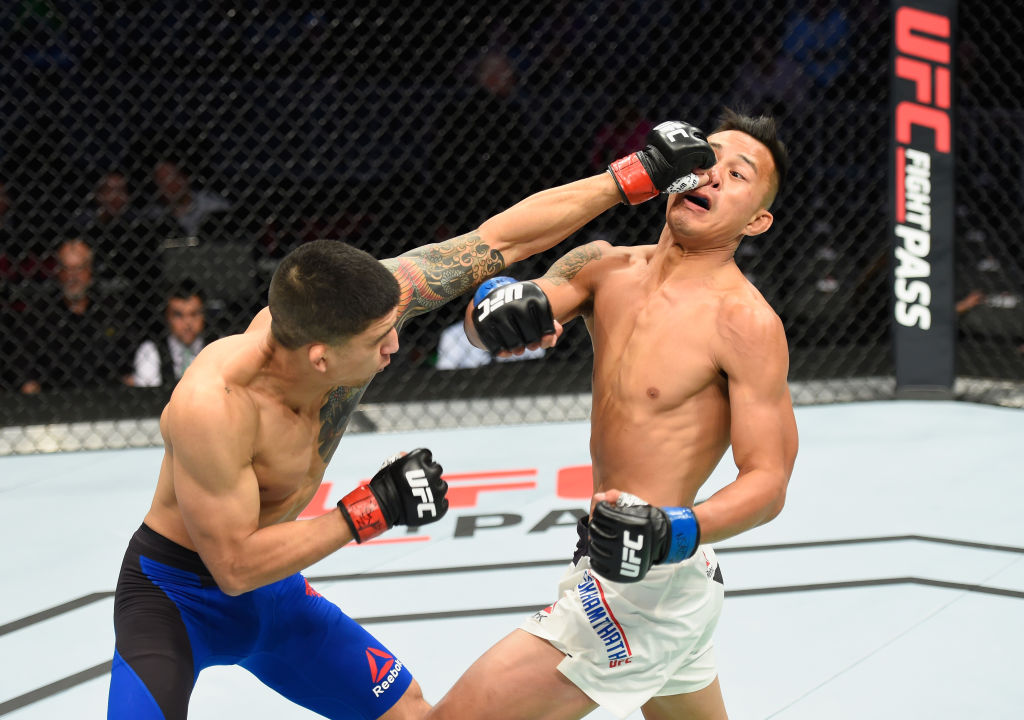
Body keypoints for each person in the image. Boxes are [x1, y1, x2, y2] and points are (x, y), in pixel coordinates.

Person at [106, 122, 715, 720]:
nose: (395, 346)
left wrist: (631, 177)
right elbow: (232, 568)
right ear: (320, 355)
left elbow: (499, 240)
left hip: (274, 592)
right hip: (175, 599)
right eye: (377, 340)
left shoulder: (358, 311)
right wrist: (369, 510)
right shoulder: (213, 406)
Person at [430, 109, 798, 720]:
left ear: (758, 221)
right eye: (705, 159)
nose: (711, 176)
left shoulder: (745, 321)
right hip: (646, 570)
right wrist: (495, 309)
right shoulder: (604, 266)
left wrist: (670, 530)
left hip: (645, 585)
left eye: (738, 174)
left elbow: (768, 483)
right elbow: (497, 316)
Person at [17, 237, 129, 394]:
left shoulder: (112, 311)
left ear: (90, 270)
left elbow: (129, 363)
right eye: (67, 268)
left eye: (79, 268)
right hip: (54, 402)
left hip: (108, 397)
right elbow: (26, 371)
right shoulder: (39, 316)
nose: (73, 276)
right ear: (58, 272)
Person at [127, 278, 209, 388]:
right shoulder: (151, 350)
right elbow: (146, 395)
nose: (187, 323)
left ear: (204, 315)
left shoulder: (221, 346)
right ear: (167, 317)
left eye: (194, 314)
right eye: (178, 315)